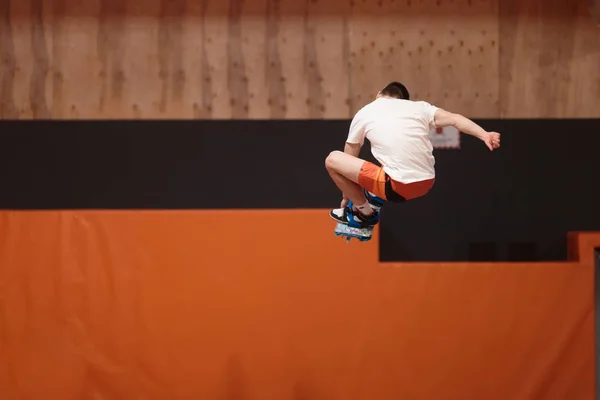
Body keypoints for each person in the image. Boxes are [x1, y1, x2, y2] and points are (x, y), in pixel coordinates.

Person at [325, 81, 501, 228]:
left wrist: (348, 197)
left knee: (333, 159)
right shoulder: (421, 108)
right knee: (387, 163)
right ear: (404, 101)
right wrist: (485, 134)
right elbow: (455, 119)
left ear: (379, 95)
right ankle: (372, 196)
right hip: (426, 182)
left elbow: (350, 155)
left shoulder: (366, 111)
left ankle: (364, 214)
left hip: (396, 185)